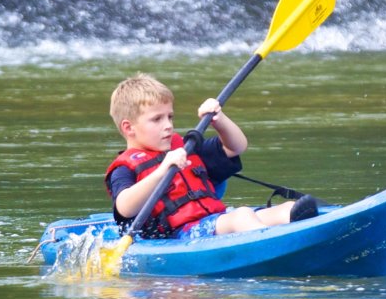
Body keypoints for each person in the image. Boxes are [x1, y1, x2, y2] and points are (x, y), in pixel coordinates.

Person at [105, 73, 317, 240]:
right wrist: (162, 171)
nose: (168, 125)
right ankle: (276, 249)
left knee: (289, 209)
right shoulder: (124, 168)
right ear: (129, 128)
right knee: (242, 216)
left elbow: (236, 147)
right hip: (180, 235)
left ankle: (308, 239)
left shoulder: (185, 148)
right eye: (157, 119)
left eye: (170, 116)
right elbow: (124, 207)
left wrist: (219, 120)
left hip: (214, 221)